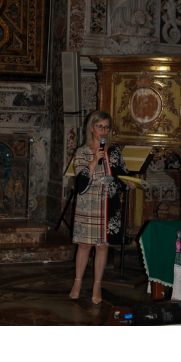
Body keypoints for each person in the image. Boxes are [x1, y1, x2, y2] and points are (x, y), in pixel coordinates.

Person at [69, 111, 136, 304]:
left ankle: (97, 285)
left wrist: (128, 182)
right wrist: (93, 161)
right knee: (84, 245)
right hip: (88, 204)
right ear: (92, 128)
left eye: (106, 127)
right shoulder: (82, 152)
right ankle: (77, 283)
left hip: (108, 204)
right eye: (100, 127)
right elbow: (81, 183)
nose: (103, 131)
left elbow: (121, 173)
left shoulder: (114, 151)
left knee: (102, 246)